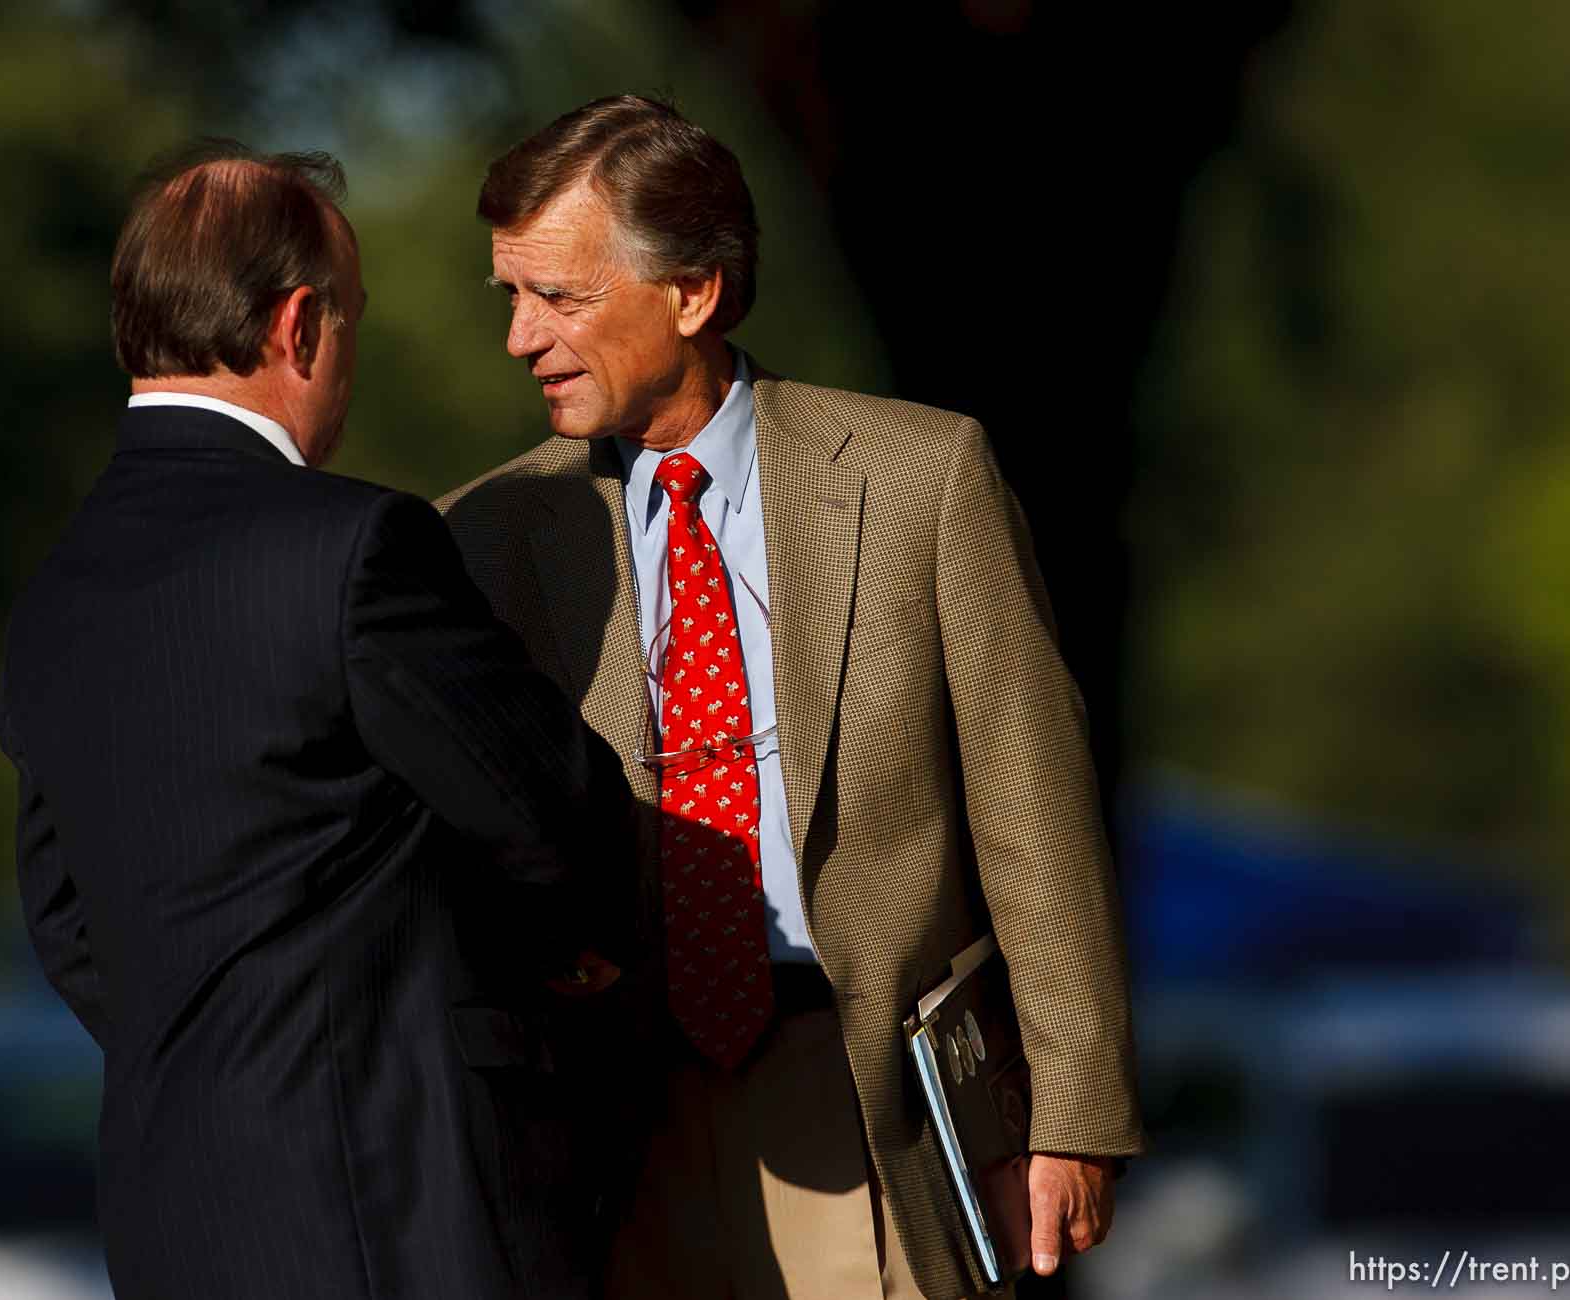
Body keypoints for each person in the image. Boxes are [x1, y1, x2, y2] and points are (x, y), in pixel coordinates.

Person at [439, 96, 1144, 1300]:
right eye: (512, 295)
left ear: (694, 293)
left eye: (558, 296)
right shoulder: (489, 533)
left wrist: (1073, 1107)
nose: (522, 336)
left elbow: (1033, 809)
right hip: (612, 1119)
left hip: (866, 1097)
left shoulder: (922, 476)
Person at [0, 142, 637, 1300]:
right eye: (349, 322)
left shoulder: (53, 598)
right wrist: (558, 949)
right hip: (398, 1222)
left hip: (174, 1235)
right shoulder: (354, 552)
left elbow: (65, 923)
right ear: (298, 326)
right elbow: (556, 819)